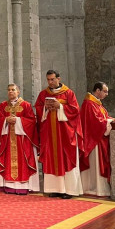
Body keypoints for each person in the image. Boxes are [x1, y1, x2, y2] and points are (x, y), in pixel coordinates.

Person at [35, 70, 83, 199]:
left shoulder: (68, 93)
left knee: (66, 158)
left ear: (58, 79)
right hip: (50, 134)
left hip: (65, 134)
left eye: (52, 79)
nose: (50, 82)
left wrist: (60, 107)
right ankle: (55, 189)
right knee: (52, 158)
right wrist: (46, 107)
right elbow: (38, 109)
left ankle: (69, 190)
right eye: (48, 80)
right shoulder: (43, 94)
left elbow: (75, 111)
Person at [0, 84, 39, 195]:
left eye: (13, 90)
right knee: (8, 160)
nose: (10, 92)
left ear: (18, 92)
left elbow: (32, 121)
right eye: (8, 90)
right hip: (8, 139)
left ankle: (23, 187)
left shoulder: (26, 105)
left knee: (22, 161)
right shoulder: (3, 105)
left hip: (22, 140)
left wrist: (18, 120)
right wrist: (6, 120)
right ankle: (9, 186)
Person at [80, 82, 115, 197]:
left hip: (99, 139)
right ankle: (94, 188)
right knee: (95, 165)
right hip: (93, 140)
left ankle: (99, 188)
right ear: (97, 91)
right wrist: (110, 121)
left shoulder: (97, 104)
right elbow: (96, 123)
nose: (106, 94)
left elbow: (103, 118)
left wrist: (113, 119)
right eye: (105, 91)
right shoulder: (89, 104)